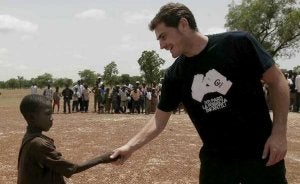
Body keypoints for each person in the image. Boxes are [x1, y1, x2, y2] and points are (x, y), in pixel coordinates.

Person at [110, 3, 289, 184]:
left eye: (163, 37)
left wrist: (279, 133)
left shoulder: (238, 43)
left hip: (262, 154)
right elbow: (158, 120)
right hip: (216, 164)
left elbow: (278, 81)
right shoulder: (175, 75)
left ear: (183, 24)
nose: (161, 45)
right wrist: (129, 147)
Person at [18, 94, 118, 184]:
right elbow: (71, 168)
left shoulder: (29, 137)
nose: (52, 118)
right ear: (32, 117)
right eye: (48, 114)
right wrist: (102, 159)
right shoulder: (38, 144)